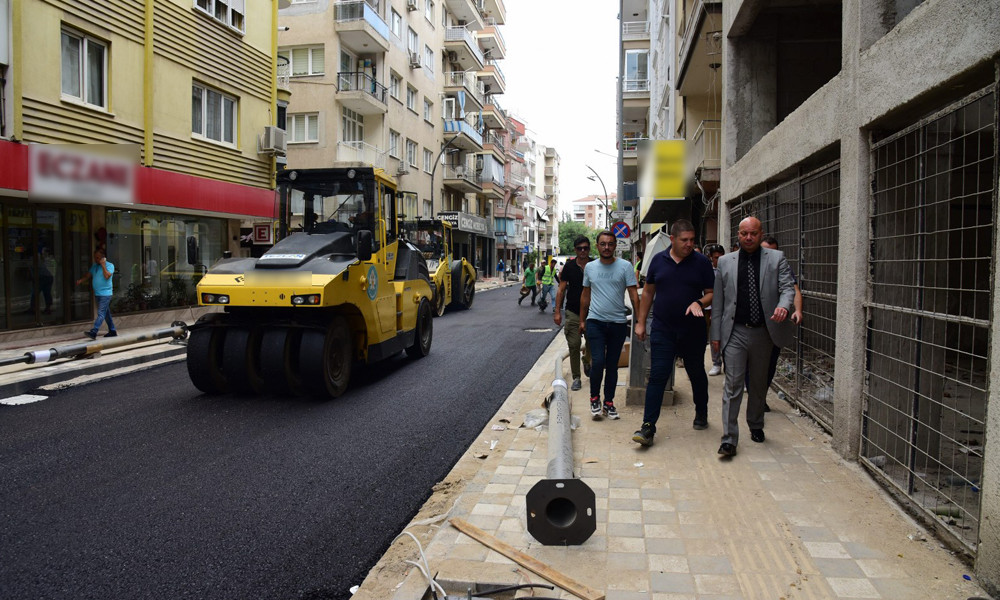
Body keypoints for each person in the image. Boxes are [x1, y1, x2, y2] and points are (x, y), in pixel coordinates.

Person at [710, 217, 795, 457]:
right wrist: (715, 335)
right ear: (738, 234)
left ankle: (756, 424)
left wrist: (784, 306)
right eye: (744, 233)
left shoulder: (776, 259)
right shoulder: (725, 262)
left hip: (764, 332)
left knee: (757, 384)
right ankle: (728, 439)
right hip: (735, 331)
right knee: (733, 384)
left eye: (754, 233)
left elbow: (788, 288)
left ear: (761, 234)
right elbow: (718, 303)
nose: (749, 237)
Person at [632, 220, 715, 445]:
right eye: (684, 240)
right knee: (658, 375)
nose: (689, 244)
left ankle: (702, 411)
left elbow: (711, 293)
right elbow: (648, 293)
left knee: (696, 372)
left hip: (692, 330)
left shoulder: (702, 263)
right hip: (663, 329)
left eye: (692, 239)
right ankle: (647, 427)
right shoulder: (658, 261)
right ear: (672, 240)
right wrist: (641, 322)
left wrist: (699, 302)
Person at [580, 230, 640, 421]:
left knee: (612, 365)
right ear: (597, 246)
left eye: (610, 244)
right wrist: (582, 320)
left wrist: (638, 321)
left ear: (616, 246)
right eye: (603, 244)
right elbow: (585, 295)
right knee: (598, 362)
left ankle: (609, 402)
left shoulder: (625, 267)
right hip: (595, 322)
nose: (607, 247)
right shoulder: (590, 267)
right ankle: (595, 398)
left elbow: (633, 294)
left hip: (618, 323)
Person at [754, 235, 804, 411]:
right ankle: (755, 396)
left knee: (770, 363)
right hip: (751, 324)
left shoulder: (783, 267)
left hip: (774, 323)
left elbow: (794, 290)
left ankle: (760, 399)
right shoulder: (748, 265)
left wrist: (797, 310)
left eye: (773, 251)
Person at [553, 235, 593, 391]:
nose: (583, 251)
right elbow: (561, 289)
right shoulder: (569, 267)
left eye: (585, 248)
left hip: (593, 312)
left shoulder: (595, 265)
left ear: (589, 249)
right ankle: (577, 377)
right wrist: (557, 311)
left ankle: (587, 360)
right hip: (572, 311)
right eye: (579, 248)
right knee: (574, 344)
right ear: (575, 250)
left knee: (592, 341)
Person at [77, 248, 117, 339]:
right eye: (95, 257)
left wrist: (103, 265)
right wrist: (80, 280)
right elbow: (88, 275)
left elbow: (107, 276)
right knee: (106, 313)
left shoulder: (110, 265)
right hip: (98, 293)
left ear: (103, 258)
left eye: (98, 258)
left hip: (106, 294)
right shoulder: (95, 266)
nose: (96, 259)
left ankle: (94, 331)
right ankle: (112, 330)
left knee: (101, 312)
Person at [705, 244, 725, 376]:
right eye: (716, 258)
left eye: (721, 257)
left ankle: (728, 366)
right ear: (711, 258)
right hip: (710, 308)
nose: (719, 260)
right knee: (714, 336)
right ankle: (716, 363)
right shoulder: (708, 271)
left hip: (726, 308)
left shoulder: (729, 270)